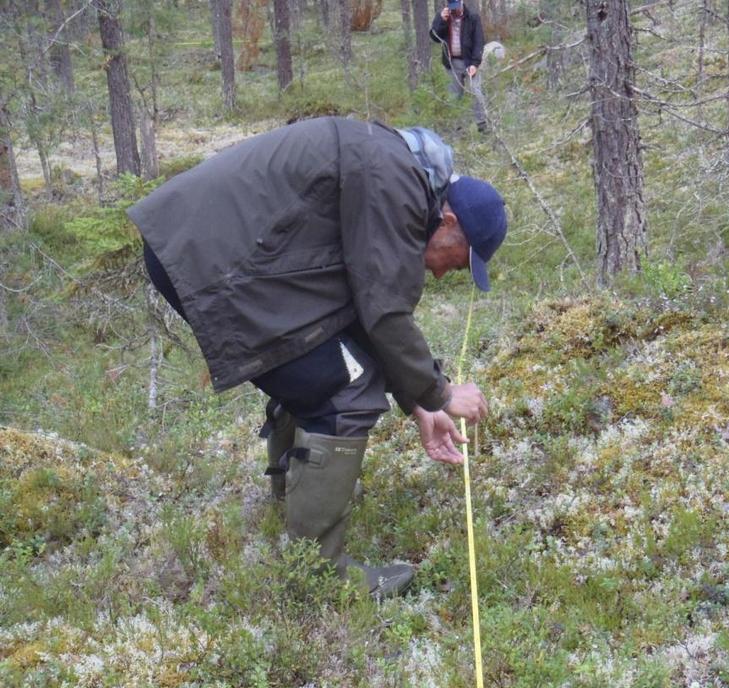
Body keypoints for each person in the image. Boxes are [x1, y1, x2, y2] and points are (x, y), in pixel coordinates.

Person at [127, 117, 507, 598]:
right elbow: (385, 313)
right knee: (345, 388)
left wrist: (419, 402)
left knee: (329, 360)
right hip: (214, 259)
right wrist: (442, 393)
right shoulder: (397, 185)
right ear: (449, 223)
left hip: (208, 248)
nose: (445, 274)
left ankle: (296, 500)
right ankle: (319, 577)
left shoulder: (394, 171)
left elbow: (358, 311)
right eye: (458, 260)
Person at [431, 0, 488, 133]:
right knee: (454, 96)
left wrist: (475, 63)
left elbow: (479, 42)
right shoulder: (443, 16)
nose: (454, 10)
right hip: (452, 63)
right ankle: (457, 128)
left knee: (475, 91)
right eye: (452, 7)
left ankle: (482, 125)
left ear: (462, 3)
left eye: (456, 7)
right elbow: (434, 37)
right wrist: (441, 20)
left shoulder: (473, 17)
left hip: (469, 62)